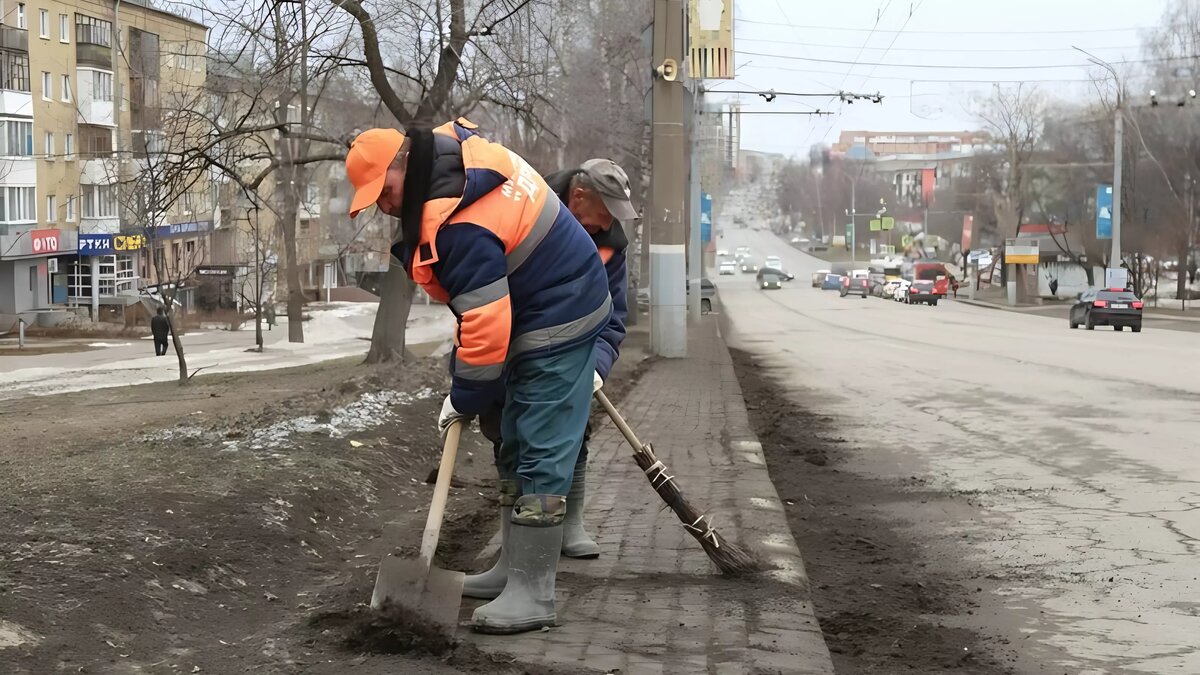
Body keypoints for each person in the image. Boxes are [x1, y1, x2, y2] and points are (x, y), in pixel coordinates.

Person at [345, 119, 612, 634]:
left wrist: (465, 394)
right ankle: (512, 571)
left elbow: (487, 325)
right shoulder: (451, 169)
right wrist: (471, 389)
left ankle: (533, 592)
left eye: (385, 191)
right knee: (512, 440)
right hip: (532, 308)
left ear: (404, 164)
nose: (383, 206)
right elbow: (481, 310)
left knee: (540, 448)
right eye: (373, 200)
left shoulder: (459, 222)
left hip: (559, 313)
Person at [466, 159, 635, 599]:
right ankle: (512, 564)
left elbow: (614, 314)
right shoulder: (524, 209)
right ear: (578, 198)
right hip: (508, 343)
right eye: (604, 211)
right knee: (509, 438)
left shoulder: (611, 244)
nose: (608, 222)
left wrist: (596, 364)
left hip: (567, 348)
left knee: (561, 438)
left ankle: (559, 539)